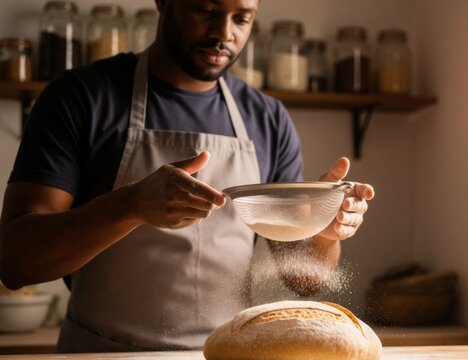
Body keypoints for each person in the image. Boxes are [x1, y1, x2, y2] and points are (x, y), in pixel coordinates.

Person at [0, 0, 374, 352]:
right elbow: (16, 262)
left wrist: (325, 231)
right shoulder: (80, 97)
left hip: (225, 354)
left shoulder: (267, 119)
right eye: (205, 9)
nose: (223, 33)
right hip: (100, 353)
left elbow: (303, 279)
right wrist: (130, 206)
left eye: (241, 18)